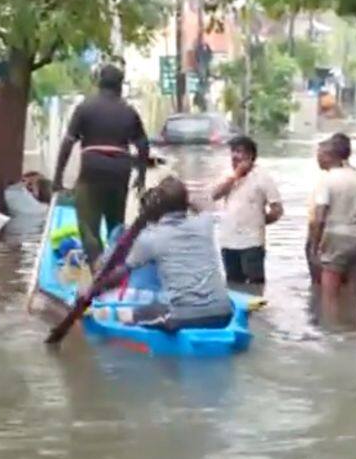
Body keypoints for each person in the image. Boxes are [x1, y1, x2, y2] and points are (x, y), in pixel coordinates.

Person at [85, 176, 233, 331]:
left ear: (157, 208)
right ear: (185, 203)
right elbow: (203, 206)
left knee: (131, 313)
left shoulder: (150, 237)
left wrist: (94, 288)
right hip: (224, 314)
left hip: (184, 317)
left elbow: (120, 274)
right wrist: (184, 201)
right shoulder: (205, 223)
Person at [53, 64, 149, 267]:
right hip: (120, 172)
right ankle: (114, 268)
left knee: (88, 226)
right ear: (120, 86)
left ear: (98, 83)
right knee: (116, 224)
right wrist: (141, 177)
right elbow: (142, 144)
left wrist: (57, 178)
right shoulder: (128, 111)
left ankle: (97, 271)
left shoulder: (85, 108)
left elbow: (68, 142)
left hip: (92, 171)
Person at [308, 134, 356, 308]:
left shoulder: (327, 180)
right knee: (353, 296)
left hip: (335, 238)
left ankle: (332, 332)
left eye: (321, 154)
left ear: (331, 156)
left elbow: (320, 217)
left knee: (329, 298)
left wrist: (314, 248)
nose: (318, 158)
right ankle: (353, 328)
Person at [211, 136, 283, 285]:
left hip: (252, 243)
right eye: (233, 151)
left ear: (250, 156)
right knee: (232, 284)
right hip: (228, 241)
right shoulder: (227, 175)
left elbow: (277, 210)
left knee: (255, 285)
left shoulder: (262, 177)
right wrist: (236, 175)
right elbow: (215, 195)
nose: (234, 156)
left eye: (239, 152)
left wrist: (258, 223)